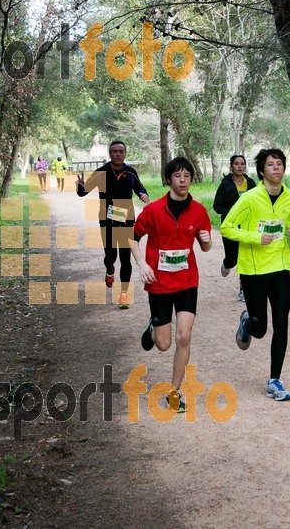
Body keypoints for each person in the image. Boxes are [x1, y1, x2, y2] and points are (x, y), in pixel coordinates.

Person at [221, 148, 290, 402]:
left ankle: (274, 380)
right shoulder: (249, 198)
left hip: (280, 268)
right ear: (261, 171)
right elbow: (226, 227)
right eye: (271, 164)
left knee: (282, 323)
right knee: (260, 330)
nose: (276, 168)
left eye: (279, 164)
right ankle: (248, 322)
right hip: (253, 271)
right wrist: (256, 237)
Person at [132, 157, 212, 413]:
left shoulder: (198, 211)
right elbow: (132, 238)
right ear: (169, 180)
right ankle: (154, 329)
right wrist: (142, 264)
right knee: (164, 344)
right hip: (159, 283)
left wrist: (207, 240)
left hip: (187, 280)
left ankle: (174, 391)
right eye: (177, 176)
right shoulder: (154, 210)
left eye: (187, 176)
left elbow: (205, 246)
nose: (182, 180)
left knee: (184, 336)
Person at [76, 141, 150, 308]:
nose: (118, 154)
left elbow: (140, 188)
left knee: (125, 257)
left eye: (121, 151)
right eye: (115, 151)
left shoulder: (130, 172)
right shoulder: (101, 172)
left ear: (125, 153)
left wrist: (143, 195)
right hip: (107, 220)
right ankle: (109, 269)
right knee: (111, 256)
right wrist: (80, 187)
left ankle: (124, 294)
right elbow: (84, 191)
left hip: (126, 220)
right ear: (110, 154)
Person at [213, 154, 256, 302]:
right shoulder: (225, 185)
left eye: (242, 164)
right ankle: (227, 263)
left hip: (247, 228)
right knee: (233, 259)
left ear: (245, 166)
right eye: (236, 164)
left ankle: (243, 290)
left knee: (246, 259)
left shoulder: (251, 184)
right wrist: (230, 211)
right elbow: (216, 206)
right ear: (231, 167)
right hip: (230, 227)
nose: (239, 166)